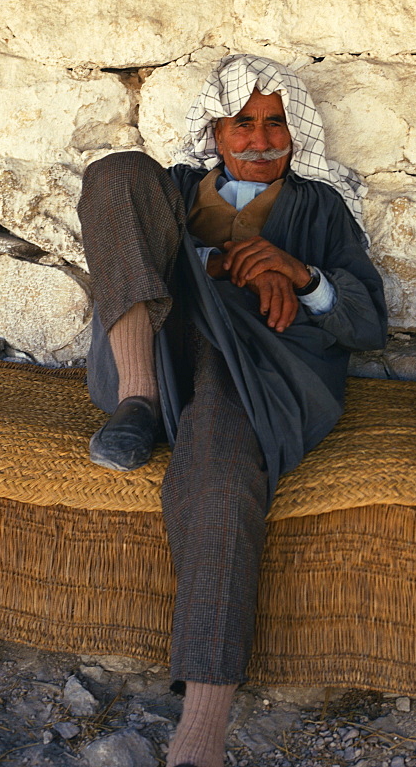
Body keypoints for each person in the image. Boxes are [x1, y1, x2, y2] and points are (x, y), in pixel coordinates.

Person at [78, 54, 387, 767]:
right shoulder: (176, 189)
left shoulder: (320, 207)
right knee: (118, 172)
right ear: (214, 130)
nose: (259, 138)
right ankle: (137, 402)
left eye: (274, 121)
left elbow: (368, 323)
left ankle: (201, 738)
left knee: (220, 473)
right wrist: (221, 262)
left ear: (294, 130)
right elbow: (128, 233)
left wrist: (298, 274)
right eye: (241, 122)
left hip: (256, 368)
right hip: (157, 352)